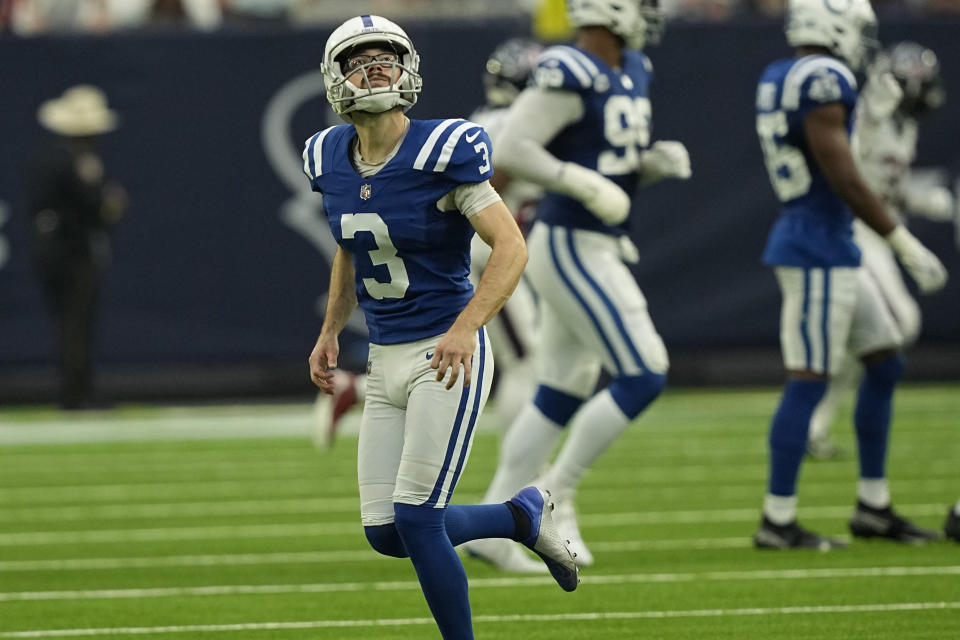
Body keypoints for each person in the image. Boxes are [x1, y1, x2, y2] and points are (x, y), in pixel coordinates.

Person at [302, 15, 578, 639]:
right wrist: (330, 331)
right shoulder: (326, 157)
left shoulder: (443, 148)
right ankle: (520, 516)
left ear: (408, 69)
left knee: (419, 519)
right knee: (385, 532)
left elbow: (510, 248)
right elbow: (350, 248)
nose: (375, 70)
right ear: (335, 76)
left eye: (385, 58)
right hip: (384, 356)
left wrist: (466, 327)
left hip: (445, 353)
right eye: (360, 60)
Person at [465, 0, 691, 569]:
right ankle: (549, 497)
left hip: (598, 240)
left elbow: (603, 155)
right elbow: (514, 149)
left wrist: (643, 168)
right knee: (644, 373)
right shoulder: (570, 66)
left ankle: (492, 524)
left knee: (561, 389)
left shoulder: (633, 68)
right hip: (571, 242)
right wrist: (584, 185)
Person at [752, 0, 947, 549]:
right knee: (808, 377)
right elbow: (846, 176)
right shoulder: (825, 76)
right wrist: (901, 240)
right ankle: (778, 519)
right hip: (817, 243)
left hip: (825, 239)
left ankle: (874, 507)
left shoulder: (780, 73)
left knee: (884, 361)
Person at [311, 37, 547, 454]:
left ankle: (355, 388)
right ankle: (523, 475)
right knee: (525, 361)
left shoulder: (482, 123)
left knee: (460, 362)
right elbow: (490, 191)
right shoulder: (506, 126)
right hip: (479, 252)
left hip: (487, 252)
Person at [806, 41, 953, 460]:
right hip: (855, 228)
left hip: (878, 231)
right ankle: (814, 421)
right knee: (897, 324)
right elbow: (846, 167)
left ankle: (816, 423)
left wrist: (918, 201)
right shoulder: (869, 113)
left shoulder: (905, 126)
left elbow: (883, 187)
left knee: (888, 331)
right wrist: (870, 119)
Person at [25, 85, 127, 410]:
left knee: (70, 323)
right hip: (72, 251)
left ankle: (77, 390)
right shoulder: (79, 163)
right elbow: (93, 208)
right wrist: (108, 205)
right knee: (76, 323)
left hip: (49, 250)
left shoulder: (46, 158)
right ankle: (77, 393)